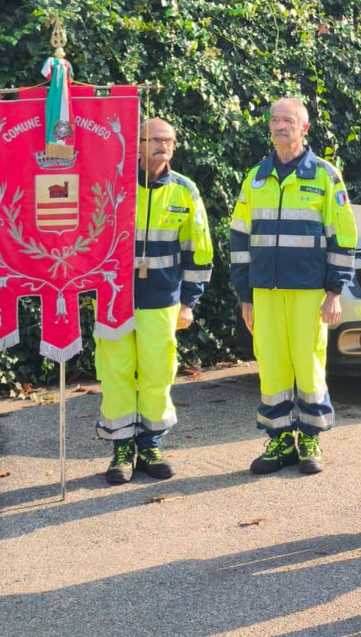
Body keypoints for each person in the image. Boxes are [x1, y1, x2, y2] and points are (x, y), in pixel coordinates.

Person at [229, 98, 357, 475]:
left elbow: (343, 235)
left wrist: (335, 291)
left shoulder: (324, 175)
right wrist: (245, 296)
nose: (279, 125)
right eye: (274, 120)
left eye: (288, 120)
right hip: (265, 292)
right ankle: (280, 439)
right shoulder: (255, 177)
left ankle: (310, 436)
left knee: (308, 364)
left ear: (304, 129)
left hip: (308, 291)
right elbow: (239, 239)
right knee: (271, 366)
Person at [97, 117, 213, 484]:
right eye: (155, 139)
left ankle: (149, 445)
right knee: (115, 373)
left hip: (162, 298)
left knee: (157, 373)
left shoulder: (184, 190)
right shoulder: (114, 184)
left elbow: (199, 249)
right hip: (114, 298)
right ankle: (120, 449)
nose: (164, 145)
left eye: (169, 140)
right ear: (137, 144)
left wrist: (189, 301)